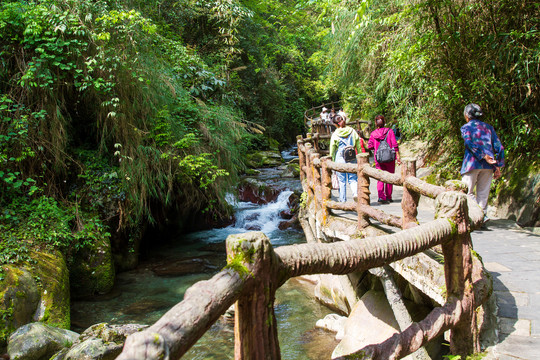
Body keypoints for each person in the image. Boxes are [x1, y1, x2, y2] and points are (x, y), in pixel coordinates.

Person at [460, 103, 504, 225]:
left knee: (466, 192)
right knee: (483, 194)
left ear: (467, 115)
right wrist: (498, 165)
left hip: (472, 164)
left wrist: (483, 156)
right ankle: (481, 217)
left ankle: (478, 216)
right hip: (488, 166)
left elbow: (469, 143)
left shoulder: (466, 127)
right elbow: (499, 147)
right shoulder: (489, 128)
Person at [329, 115, 366, 202]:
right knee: (353, 178)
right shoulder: (352, 131)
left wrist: (332, 161)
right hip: (351, 157)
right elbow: (358, 146)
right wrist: (360, 156)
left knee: (342, 181)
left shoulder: (335, 134)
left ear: (335, 124)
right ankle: (355, 193)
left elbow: (332, 150)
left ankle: (343, 200)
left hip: (340, 158)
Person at [368, 115, 401, 204]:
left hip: (378, 158)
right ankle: (388, 196)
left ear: (376, 123)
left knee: (380, 177)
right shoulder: (389, 131)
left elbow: (370, 146)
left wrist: (376, 145)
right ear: (384, 122)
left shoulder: (373, 134)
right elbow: (394, 144)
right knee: (390, 177)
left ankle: (381, 197)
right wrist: (398, 156)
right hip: (390, 157)